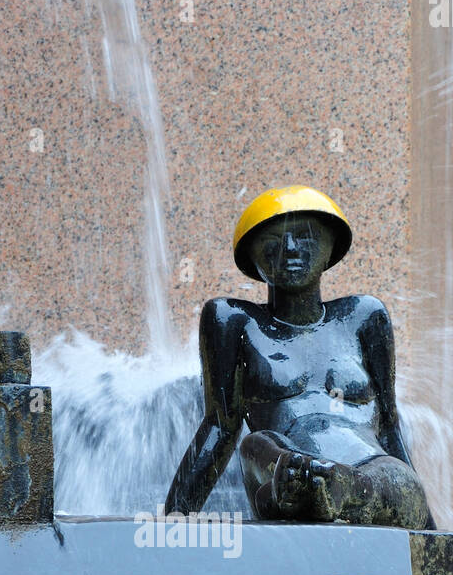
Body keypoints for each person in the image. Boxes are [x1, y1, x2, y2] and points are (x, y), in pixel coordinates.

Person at [165, 185, 433, 528]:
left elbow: (390, 425)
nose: (291, 250)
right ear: (253, 258)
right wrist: (171, 522)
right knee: (258, 443)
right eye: (273, 241)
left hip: (368, 471)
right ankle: (305, 485)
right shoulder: (233, 319)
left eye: (306, 237)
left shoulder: (364, 315)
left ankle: (338, 488)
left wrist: (431, 537)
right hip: (280, 469)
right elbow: (220, 428)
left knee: (392, 478)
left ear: (330, 248)